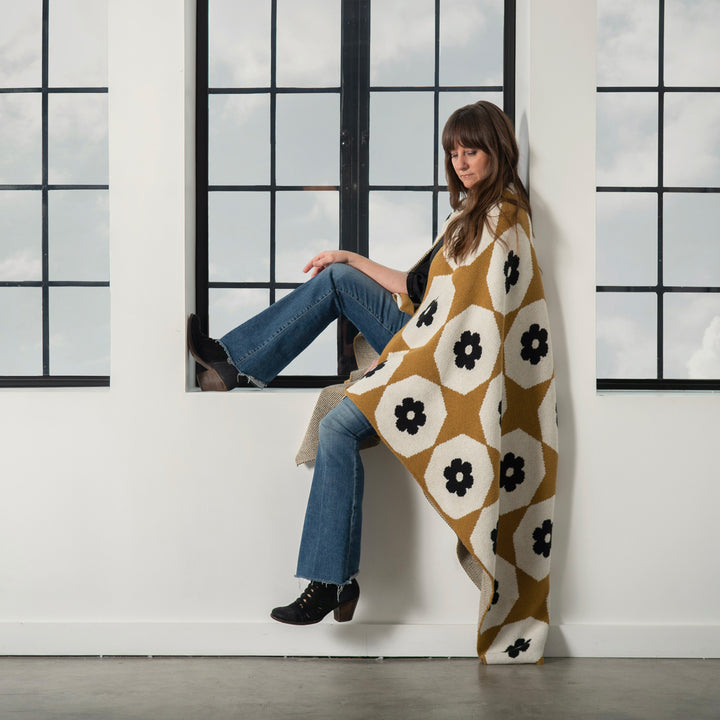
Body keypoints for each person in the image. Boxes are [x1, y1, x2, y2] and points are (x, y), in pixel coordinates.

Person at [188, 102, 551, 652]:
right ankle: (233, 363)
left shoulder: (504, 221)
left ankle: (333, 580)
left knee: (337, 427)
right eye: (453, 153)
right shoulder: (468, 215)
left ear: (498, 151)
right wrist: (351, 257)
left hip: (448, 366)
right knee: (336, 275)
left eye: (470, 151)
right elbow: (415, 285)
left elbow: (474, 320)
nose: (459, 163)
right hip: (426, 336)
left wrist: (402, 354)